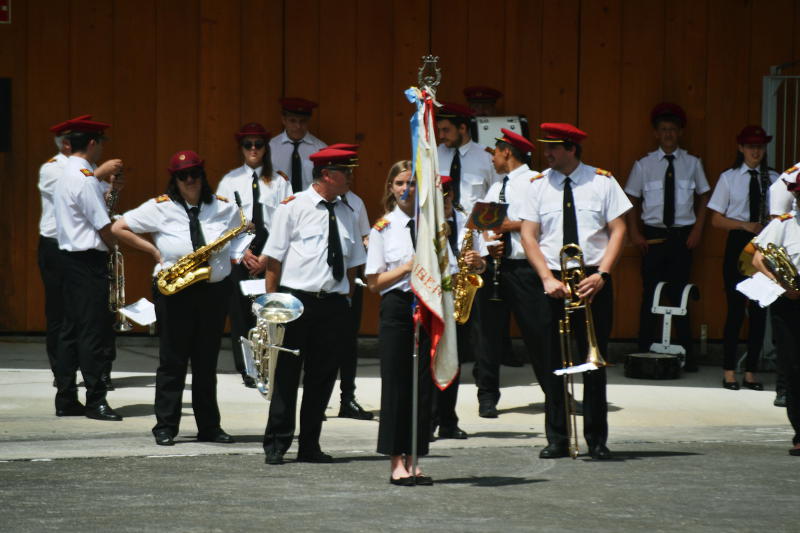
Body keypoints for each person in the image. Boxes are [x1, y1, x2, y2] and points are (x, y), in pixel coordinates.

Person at [111, 150, 239, 446]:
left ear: (203, 175)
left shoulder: (223, 207)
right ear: (175, 179)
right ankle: (166, 426)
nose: (190, 179)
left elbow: (240, 235)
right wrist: (155, 253)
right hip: (176, 291)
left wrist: (233, 257)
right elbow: (119, 228)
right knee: (173, 360)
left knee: (206, 362)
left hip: (212, 291)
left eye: (195, 173)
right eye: (183, 175)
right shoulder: (160, 207)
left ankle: (210, 426)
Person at [520, 122, 631, 460]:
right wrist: (546, 279)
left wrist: (603, 275)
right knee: (552, 359)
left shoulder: (602, 181)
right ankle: (557, 438)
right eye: (545, 147)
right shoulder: (538, 185)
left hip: (592, 279)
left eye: (553, 148)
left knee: (593, 360)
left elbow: (619, 229)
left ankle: (597, 438)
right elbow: (528, 236)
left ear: (571, 149)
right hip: (552, 278)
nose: (547, 153)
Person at [262, 147, 367, 465]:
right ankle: (277, 444)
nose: (350, 177)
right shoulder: (293, 208)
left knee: (322, 378)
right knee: (286, 376)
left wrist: (346, 298)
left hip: (333, 304)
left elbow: (353, 263)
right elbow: (273, 261)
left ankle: (310, 445)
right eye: (345, 171)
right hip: (297, 302)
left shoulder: (349, 211)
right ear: (327, 175)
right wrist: (271, 307)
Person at [624, 103, 710, 371]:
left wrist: (697, 230)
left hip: (683, 238)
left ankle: (687, 354)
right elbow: (631, 199)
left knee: (680, 294)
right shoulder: (644, 165)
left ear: (680, 132)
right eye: (663, 130)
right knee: (650, 294)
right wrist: (635, 232)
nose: (669, 134)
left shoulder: (692, 163)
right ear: (656, 134)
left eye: (673, 129)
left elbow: (705, 197)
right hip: (653, 238)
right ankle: (643, 350)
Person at [472, 128, 550, 419]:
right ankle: (487, 395)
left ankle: (554, 392)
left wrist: (510, 226)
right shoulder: (496, 187)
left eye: (496, 152)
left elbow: (543, 222)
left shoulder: (535, 182)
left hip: (523, 267)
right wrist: (488, 246)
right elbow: (483, 224)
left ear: (508, 151)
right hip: (496, 266)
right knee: (488, 335)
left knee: (538, 332)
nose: (492, 158)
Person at [365, 160, 433, 485]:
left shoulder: (431, 225)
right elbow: (374, 281)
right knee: (396, 384)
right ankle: (395, 459)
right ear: (391, 189)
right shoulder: (383, 228)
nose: (406, 189)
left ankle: (415, 455)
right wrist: (406, 268)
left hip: (428, 305)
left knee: (421, 386)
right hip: (397, 305)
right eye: (400, 183)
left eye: (412, 183)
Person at [52, 116, 124, 421]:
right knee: (93, 331)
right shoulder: (84, 177)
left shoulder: (67, 172)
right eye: (100, 142)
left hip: (67, 259)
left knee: (69, 330)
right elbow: (103, 225)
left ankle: (66, 396)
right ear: (93, 144)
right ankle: (96, 399)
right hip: (86, 262)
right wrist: (113, 247)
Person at [217, 122, 292, 388]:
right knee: (241, 314)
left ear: (265, 148)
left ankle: (271, 363)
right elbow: (221, 221)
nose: (253, 149)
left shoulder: (280, 181)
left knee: (270, 310)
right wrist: (243, 251)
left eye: (258, 145)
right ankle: (248, 368)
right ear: (241, 148)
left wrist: (268, 256)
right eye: (247, 145)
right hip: (240, 254)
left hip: (269, 254)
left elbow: (286, 221)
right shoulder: (229, 181)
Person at [708, 125, 778, 391]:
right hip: (739, 242)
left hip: (765, 243)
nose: (756, 151)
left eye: (759, 146)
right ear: (741, 148)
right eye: (750, 146)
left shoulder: (773, 178)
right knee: (735, 311)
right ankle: (728, 371)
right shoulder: (729, 178)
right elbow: (715, 219)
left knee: (760, 311)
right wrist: (745, 225)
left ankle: (751, 373)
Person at [432, 174, 487, 439]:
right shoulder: (425, 222)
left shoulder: (467, 222)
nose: (443, 201)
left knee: (453, 361)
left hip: (460, 296)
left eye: (447, 195)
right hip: (434, 296)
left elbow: (482, 264)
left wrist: (478, 261)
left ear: (452, 195)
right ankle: (428, 419)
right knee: (431, 361)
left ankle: (448, 421)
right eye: (438, 196)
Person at [752, 174, 800, 456]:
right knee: (793, 368)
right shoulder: (782, 224)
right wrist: (782, 285)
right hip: (790, 300)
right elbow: (757, 258)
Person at [325, 143, 373, 420]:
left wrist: (368, 241)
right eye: (345, 171)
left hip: (350, 282)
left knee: (348, 343)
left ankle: (348, 398)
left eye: (351, 171)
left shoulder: (355, 203)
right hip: (321, 285)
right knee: (318, 345)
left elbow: (364, 238)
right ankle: (317, 400)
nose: (350, 177)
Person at [269, 97, 327, 193]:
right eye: (292, 121)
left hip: (310, 206)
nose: (298, 126)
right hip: (279, 205)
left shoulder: (321, 149)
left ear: (308, 121)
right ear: (284, 120)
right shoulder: (271, 148)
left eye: (303, 121)